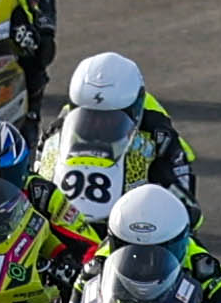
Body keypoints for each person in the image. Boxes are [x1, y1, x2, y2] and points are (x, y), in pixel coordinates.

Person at [60, 50, 200, 210]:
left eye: (110, 119)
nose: (99, 125)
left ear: (134, 111)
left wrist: (179, 205)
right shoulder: (62, 122)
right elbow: (43, 160)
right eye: (89, 117)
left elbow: (186, 201)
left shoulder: (158, 130)